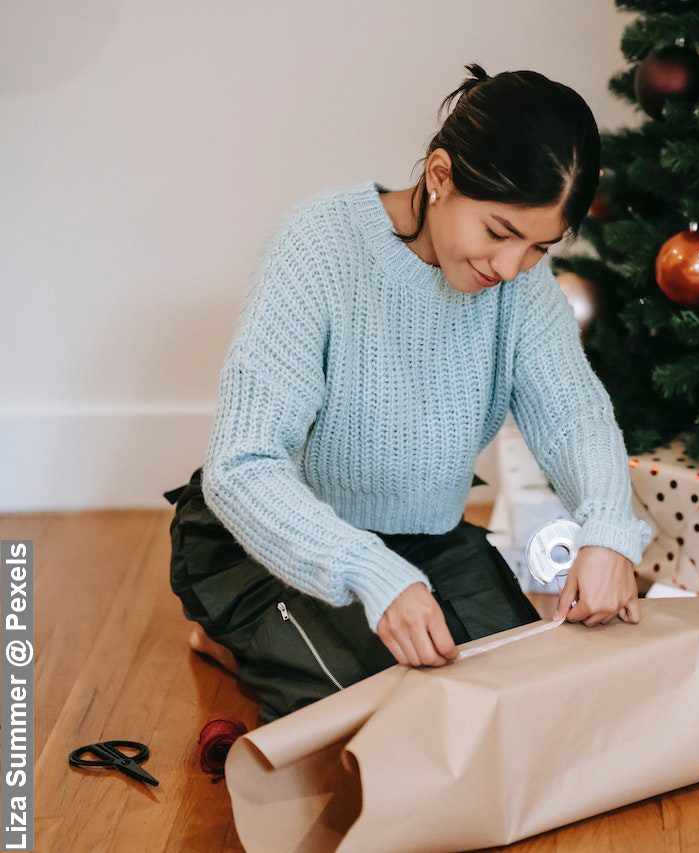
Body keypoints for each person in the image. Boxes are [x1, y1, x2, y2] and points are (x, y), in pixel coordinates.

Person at [165, 63, 652, 724]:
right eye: (500, 232)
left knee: (526, 699)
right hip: (273, 536)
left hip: (427, 536)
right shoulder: (317, 247)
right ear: (440, 176)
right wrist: (370, 571)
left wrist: (608, 529)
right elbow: (240, 467)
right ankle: (234, 629)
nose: (509, 267)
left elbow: (574, 412)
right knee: (381, 720)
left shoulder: (517, 284)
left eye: (539, 247)